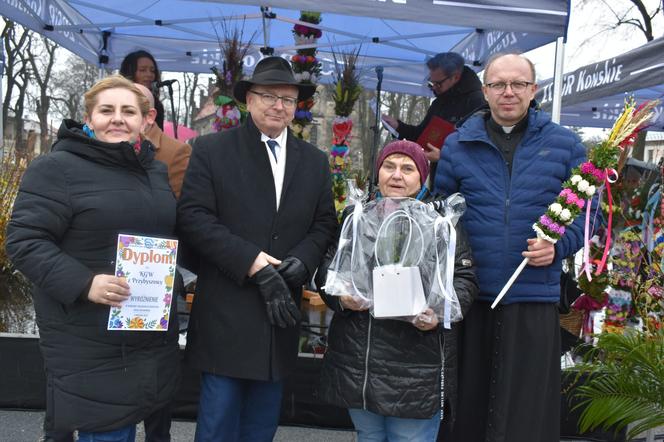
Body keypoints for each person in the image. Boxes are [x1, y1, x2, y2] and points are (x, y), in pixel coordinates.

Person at [6, 75, 180, 442]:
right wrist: (86, 283)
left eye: (128, 111)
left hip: (144, 328)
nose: (117, 119)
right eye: (107, 110)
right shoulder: (56, 168)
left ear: (145, 120)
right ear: (89, 117)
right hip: (86, 334)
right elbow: (24, 240)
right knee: (107, 431)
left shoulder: (154, 171)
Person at [177, 56, 337, 442]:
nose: (278, 105)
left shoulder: (314, 161)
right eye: (268, 95)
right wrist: (250, 262)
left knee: (261, 427)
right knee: (218, 425)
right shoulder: (211, 150)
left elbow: (324, 223)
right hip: (227, 312)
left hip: (279, 317)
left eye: (287, 97)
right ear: (248, 100)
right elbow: (194, 217)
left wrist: (304, 258)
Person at [434, 53, 588, 442]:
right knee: (469, 411)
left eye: (518, 84)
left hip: (533, 297)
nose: (508, 92)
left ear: (533, 90)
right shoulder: (457, 145)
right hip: (473, 297)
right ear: (485, 91)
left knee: (525, 416)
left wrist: (559, 245)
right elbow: (442, 214)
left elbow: (590, 215)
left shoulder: (565, 145)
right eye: (499, 84)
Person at [317, 140, 478, 442]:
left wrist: (440, 312)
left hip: (416, 367)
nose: (396, 175)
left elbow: (465, 279)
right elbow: (328, 269)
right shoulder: (357, 217)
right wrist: (341, 297)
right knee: (369, 435)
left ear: (422, 177)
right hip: (361, 361)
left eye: (408, 169)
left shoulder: (442, 223)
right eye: (389, 166)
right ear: (378, 173)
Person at [382, 52, 485, 178]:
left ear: (455, 77)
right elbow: (421, 135)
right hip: (439, 177)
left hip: (466, 179)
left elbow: (479, 149)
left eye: (438, 83)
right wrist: (399, 126)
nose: (434, 88)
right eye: (432, 83)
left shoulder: (477, 102)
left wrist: (443, 156)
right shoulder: (439, 103)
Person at [134, 83, 192, 199]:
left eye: (129, 110)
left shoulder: (177, 151)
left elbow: (184, 206)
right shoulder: (107, 143)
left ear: (149, 116)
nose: (118, 117)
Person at [120, 50, 165, 130]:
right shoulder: (116, 98)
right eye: (142, 70)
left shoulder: (156, 105)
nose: (149, 74)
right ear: (129, 73)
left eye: (152, 71)